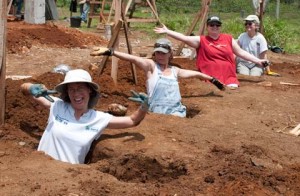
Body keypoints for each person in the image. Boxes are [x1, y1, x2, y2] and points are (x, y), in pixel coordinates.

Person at [20, 69, 148, 164]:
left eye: (80, 88)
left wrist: (144, 107)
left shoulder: (98, 118)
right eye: (72, 89)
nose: (76, 93)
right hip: (39, 170)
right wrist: (31, 87)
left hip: (68, 179)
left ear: (89, 90)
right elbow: (24, 88)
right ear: (67, 92)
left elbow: (132, 120)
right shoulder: (57, 105)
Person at [91, 38, 225, 118]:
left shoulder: (175, 71)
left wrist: (212, 80)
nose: (160, 56)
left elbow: (195, 74)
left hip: (177, 113)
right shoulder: (151, 67)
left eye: (163, 53)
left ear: (170, 54)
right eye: (157, 53)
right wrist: (111, 52)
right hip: (157, 114)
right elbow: (134, 59)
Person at [154, 16, 270, 89]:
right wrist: (167, 31)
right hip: (210, 80)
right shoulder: (201, 40)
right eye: (212, 25)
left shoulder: (228, 38)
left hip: (229, 79)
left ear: (220, 27)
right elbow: (184, 38)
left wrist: (258, 61)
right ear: (207, 27)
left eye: (217, 25)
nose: (214, 27)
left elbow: (241, 53)